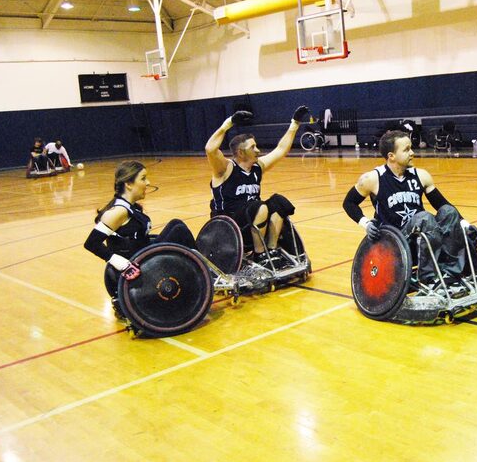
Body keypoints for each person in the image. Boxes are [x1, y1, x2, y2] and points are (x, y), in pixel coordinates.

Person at [342, 130, 477, 287]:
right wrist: (366, 224)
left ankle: (450, 272)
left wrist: (466, 225)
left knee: (448, 212)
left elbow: (442, 204)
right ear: (391, 156)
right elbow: (349, 203)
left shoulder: (421, 175)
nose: (412, 153)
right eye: (406, 150)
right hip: (396, 242)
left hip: (424, 236)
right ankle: (428, 279)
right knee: (424, 218)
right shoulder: (373, 179)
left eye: (411, 148)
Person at [83, 160, 196, 317]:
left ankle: (201, 270)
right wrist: (121, 263)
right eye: (143, 178)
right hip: (143, 265)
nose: (148, 183)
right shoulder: (118, 211)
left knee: (175, 225)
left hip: (145, 254)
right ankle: (206, 272)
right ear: (129, 184)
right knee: (178, 229)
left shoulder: (130, 206)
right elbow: (91, 243)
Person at [205, 106, 310, 261]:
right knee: (260, 206)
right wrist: (229, 123)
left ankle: (271, 249)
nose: (258, 150)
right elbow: (210, 149)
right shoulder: (225, 168)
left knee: (278, 202)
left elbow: (280, 150)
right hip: (228, 225)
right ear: (240, 153)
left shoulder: (257, 167)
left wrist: (295, 124)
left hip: (252, 220)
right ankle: (259, 253)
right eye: (252, 147)